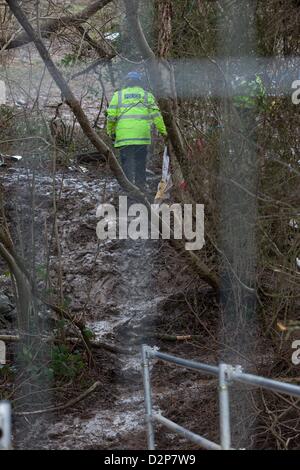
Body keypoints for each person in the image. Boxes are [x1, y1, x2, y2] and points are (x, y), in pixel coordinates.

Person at [106, 71, 167, 189]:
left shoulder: (118, 95)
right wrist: (164, 132)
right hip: (141, 136)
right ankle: (141, 186)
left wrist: (111, 132)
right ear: (140, 82)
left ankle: (129, 189)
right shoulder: (147, 95)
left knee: (126, 164)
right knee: (140, 163)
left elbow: (111, 117)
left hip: (124, 137)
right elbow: (157, 116)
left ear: (126, 82)